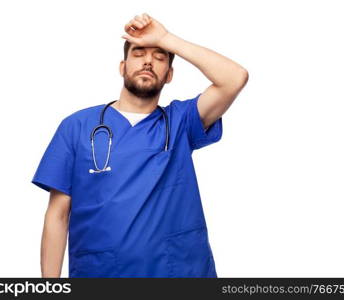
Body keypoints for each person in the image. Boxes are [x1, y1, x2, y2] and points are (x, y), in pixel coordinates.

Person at [31, 13, 248, 278]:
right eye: (138, 53)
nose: (148, 61)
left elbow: (235, 77)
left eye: (159, 57)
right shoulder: (76, 127)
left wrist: (166, 39)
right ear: (122, 67)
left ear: (169, 74)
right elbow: (57, 215)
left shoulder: (180, 122)